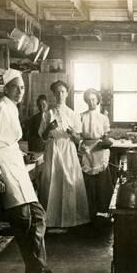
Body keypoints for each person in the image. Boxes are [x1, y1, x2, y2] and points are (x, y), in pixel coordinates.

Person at [0, 69, 59, 273]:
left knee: (38, 216)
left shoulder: (12, 108)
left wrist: (23, 155)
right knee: (24, 219)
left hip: (16, 165)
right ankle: (37, 271)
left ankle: (38, 269)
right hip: (5, 168)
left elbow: (9, 142)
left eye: (22, 88)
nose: (20, 91)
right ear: (6, 88)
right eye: (15, 87)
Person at [39, 80, 89, 230]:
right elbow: (42, 136)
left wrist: (73, 133)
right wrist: (49, 128)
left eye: (63, 91)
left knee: (69, 181)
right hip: (53, 148)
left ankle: (71, 220)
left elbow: (78, 138)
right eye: (57, 92)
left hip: (68, 148)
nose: (60, 94)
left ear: (67, 94)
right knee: (52, 181)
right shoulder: (48, 113)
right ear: (53, 94)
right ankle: (51, 220)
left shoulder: (73, 114)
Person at [80, 88, 114, 222]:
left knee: (102, 179)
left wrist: (105, 142)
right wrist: (83, 145)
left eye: (93, 99)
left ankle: (105, 210)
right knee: (87, 180)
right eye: (88, 100)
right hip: (87, 148)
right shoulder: (81, 116)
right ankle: (89, 211)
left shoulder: (103, 117)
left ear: (98, 100)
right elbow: (79, 135)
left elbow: (106, 135)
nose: (91, 102)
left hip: (99, 149)